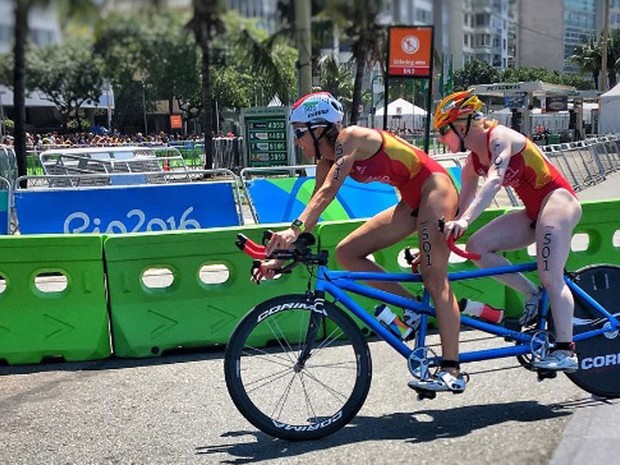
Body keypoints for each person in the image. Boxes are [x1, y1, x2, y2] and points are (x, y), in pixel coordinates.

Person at [261, 91, 466, 392]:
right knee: (348, 253)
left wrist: (292, 229)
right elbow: (313, 212)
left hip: (434, 189)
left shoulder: (351, 137)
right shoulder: (324, 160)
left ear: (320, 128)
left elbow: (327, 192)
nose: (296, 141)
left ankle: (452, 370)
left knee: (435, 279)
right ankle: (412, 307)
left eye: (299, 132)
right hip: (410, 201)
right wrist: (279, 259)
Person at [435, 91, 582, 371]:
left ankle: (566, 350)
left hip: (558, 200)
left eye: (444, 130)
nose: (441, 138)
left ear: (462, 124)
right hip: (532, 212)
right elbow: (461, 206)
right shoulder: (471, 163)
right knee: (477, 247)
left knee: (550, 275)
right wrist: (441, 235)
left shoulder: (500, 136)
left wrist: (465, 221)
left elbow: (493, 181)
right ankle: (531, 294)